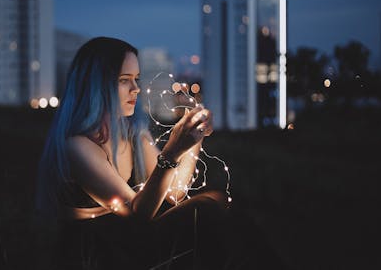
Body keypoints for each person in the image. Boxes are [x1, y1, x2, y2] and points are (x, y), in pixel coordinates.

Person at [35, 37, 285, 270]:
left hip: (130, 240)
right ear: (97, 84)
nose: (136, 89)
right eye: (124, 80)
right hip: (97, 251)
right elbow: (137, 215)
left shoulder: (132, 133)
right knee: (207, 210)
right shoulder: (77, 145)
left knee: (219, 206)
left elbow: (175, 191)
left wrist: (192, 140)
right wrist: (173, 150)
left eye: (137, 79)